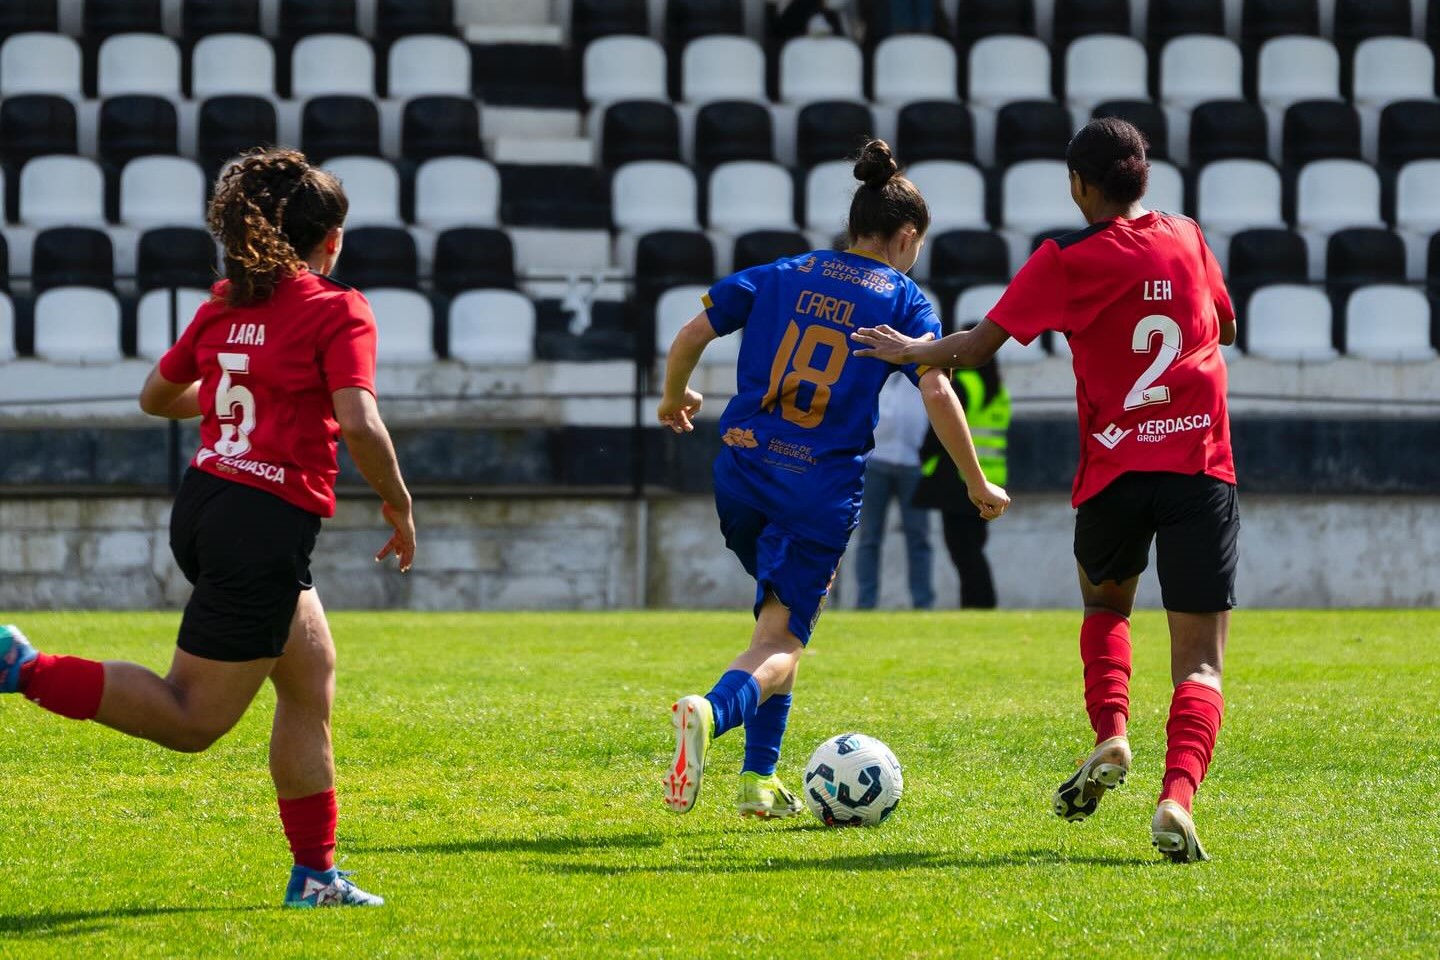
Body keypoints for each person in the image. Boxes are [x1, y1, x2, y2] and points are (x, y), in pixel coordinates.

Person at [0, 147, 417, 905]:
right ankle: (21, 667)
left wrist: (239, 389)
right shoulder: (338, 308)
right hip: (262, 523)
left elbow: (156, 397)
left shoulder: (226, 303)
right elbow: (359, 422)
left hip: (207, 502)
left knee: (309, 678)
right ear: (331, 240)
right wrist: (399, 502)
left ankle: (315, 875)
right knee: (192, 720)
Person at [852, 118, 1238, 862]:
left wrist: (909, 349)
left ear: (1079, 186)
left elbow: (975, 348)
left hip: (1114, 469)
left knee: (1106, 608)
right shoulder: (1189, 236)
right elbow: (1223, 325)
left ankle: (1112, 734)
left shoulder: (1064, 259)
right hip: (1198, 464)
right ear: (1143, 178)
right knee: (1199, 662)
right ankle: (1176, 799)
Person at [656, 140, 1010, 819]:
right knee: (782, 640)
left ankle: (759, 781)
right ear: (905, 238)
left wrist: (676, 398)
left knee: (776, 622)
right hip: (816, 489)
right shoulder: (903, 300)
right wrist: (975, 482)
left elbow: (692, 334)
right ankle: (711, 711)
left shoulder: (781, 272)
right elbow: (938, 391)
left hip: (739, 471)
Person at [912, 350, 1010, 609]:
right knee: (973, 548)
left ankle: (977, 606)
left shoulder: (965, 384)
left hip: (961, 480)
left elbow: (944, 423)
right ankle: (980, 605)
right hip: (991, 478)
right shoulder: (998, 391)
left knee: (963, 551)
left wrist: (925, 455)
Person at [854, 373, 934, 610]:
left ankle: (923, 602)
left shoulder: (922, 370)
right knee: (869, 536)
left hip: (914, 464)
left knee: (919, 537)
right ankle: (866, 602)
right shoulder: (877, 370)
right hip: (876, 461)